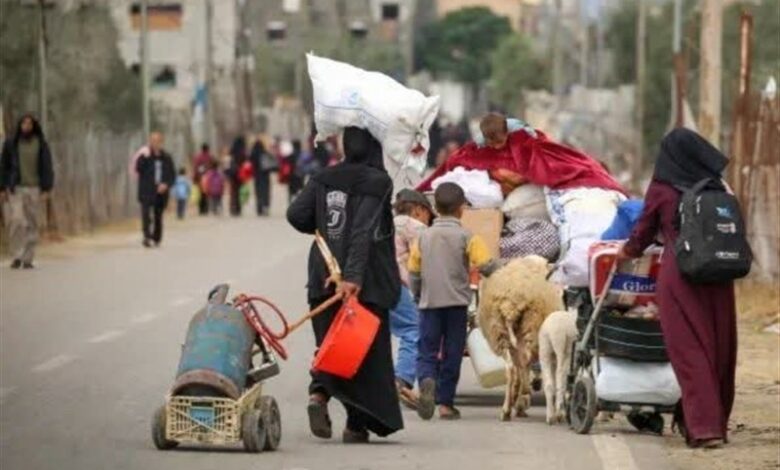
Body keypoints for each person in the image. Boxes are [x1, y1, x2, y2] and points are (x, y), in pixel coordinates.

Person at [619, 128, 737, 449]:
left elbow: (642, 233)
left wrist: (625, 252)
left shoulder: (662, 188)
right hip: (719, 277)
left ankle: (704, 429)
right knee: (718, 349)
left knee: (689, 351)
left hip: (681, 276)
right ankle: (709, 422)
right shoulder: (718, 185)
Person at [287, 126, 403, 443]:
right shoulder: (377, 182)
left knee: (330, 345)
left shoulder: (324, 177)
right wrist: (352, 278)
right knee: (360, 352)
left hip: (322, 272)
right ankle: (355, 425)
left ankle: (319, 397)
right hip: (361, 281)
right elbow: (362, 231)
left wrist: (324, 222)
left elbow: (296, 214)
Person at [408, 182, 500, 421]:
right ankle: (446, 404)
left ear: (435, 208)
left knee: (427, 351)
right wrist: (504, 270)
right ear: (461, 209)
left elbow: (414, 271)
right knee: (451, 353)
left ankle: (427, 379)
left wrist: (418, 295)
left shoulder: (423, 237)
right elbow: (486, 265)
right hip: (457, 305)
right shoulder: (467, 236)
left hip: (429, 304)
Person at [390, 189, 434, 409]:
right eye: (428, 214)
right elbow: (424, 262)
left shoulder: (385, 222)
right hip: (397, 286)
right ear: (418, 210)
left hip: (371, 285)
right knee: (413, 329)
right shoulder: (416, 228)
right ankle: (403, 380)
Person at [0, 114, 54, 269]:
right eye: (24, 123)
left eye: (29, 123)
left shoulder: (41, 144)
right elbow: (3, 166)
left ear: (34, 126)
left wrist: (47, 188)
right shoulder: (11, 144)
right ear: (20, 125)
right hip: (16, 188)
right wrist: (2, 187)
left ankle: (28, 257)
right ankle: (17, 255)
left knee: (32, 223)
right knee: (16, 221)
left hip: (35, 188)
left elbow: (47, 167)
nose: (26, 126)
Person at [135, 131, 175, 247]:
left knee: (158, 215)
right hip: (147, 190)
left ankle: (156, 237)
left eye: (157, 141)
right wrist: (143, 157)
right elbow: (138, 169)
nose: (155, 143)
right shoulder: (145, 155)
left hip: (161, 192)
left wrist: (166, 184)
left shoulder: (166, 158)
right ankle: (146, 236)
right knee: (146, 214)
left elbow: (172, 175)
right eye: (152, 141)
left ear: (161, 142)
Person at [249, 136, 276, 216]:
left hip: (257, 175)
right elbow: (272, 162)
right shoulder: (265, 152)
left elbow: (250, 162)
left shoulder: (253, 153)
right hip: (265, 175)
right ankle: (266, 207)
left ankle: (259, 208)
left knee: (258, 192)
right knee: (265, 191)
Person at [227, 136, 247, 216]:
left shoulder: (231, 151)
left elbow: (227, 163)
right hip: (240, 174)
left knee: (233, 192)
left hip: (232, 174)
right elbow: (246, 163)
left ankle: (232, 208)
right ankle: (238, 209)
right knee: (239, 191)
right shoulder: (243, 152)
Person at [192, 143, 213, 215]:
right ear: (207, 149)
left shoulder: (198, 157)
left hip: (200, 178)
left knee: (201, 194)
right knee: (206, 193)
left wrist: (194, 178)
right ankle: (206, 209)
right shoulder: (210, 157)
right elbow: (213, 166)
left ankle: (201, 209)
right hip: (208, 177)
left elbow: (195, 168)